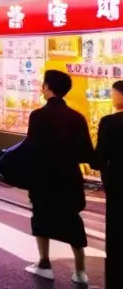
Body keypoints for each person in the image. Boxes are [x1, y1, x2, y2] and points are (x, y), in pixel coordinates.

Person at [24, 70, 94, 285]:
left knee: (41, 216)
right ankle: (80, 271)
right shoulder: (77, 117)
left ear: (48, 88)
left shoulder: (37, 116)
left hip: (44, 176)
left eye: (43, 85)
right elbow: (86, 154)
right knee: (72, 220)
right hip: (69, 177)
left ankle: (44, 263)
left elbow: (31, 147)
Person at [95, 79, 123, 288]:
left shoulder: (109, 122)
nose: (112, 96)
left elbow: (99, 158)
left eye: (114, 93)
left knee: (115, 229)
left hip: (117, 180)